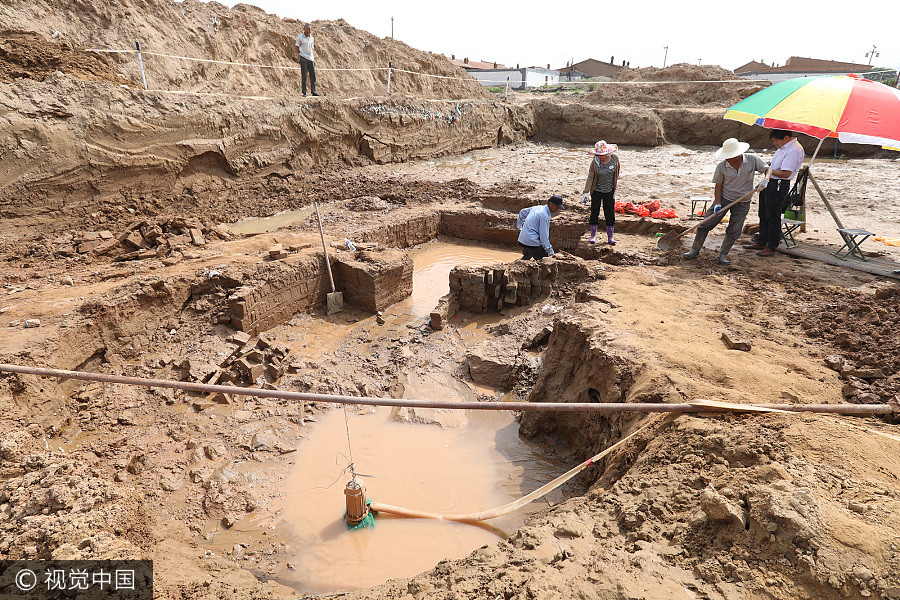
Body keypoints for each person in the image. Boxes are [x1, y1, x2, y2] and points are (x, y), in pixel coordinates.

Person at [683, 138, 770, 264]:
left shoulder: (752, 160)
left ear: (738, 154)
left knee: (735, 229)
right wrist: (718, 203)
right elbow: (718, 185)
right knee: (705, 223)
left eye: (730, 156)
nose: (727, 158)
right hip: (724, 199)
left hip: (743, 202)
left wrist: (765, 179)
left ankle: (723, 254)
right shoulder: (722, 166)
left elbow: (768, 169)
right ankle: (694, 250)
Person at [744, 129, 805, 257]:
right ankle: (762, 241)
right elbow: (775, 165)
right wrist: (765, 166)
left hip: (779, 184)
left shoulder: (793, 150)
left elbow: (786, 173)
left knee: (772, 215)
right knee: (763, 213)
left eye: (776, 140)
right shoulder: (783, 147)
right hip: (770, 181)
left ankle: (771, 246)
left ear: (786, 138)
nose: (775, 143)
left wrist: (768, 169)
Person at [582, 140, 620, 245]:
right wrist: (586, 192)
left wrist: (614, 189)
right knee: (594, 213)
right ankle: (593, 235)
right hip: (597, 191)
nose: (600, 157)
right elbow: (590, 177)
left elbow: (616, 174)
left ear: (607, 153)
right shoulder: (595, 162)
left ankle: (610, 237)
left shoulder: (614, 160)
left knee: (610, 214)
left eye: (602, 155)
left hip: (609, 191)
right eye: (598, 155)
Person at [518, 195, 564, 260]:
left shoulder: (538, 208)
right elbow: (544, 238)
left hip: (522, 240)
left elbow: (522, 212)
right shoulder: (544, 215)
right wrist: (551, 253)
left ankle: (518, 262)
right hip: (531, 242)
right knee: (545, 261)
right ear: (550, 204)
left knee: (527, 257)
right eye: (557, 207)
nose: (557, 209)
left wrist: (519, 227)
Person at [295, 24, 318, 97]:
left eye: (309, 29)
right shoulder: (300, 37)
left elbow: (311, 48)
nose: (308, 31)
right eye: (307, 29)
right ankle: (304, 92)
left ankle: (313, 91)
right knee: (304, 76)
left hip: (311, 58)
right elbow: (296, 47)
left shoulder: (312, 38)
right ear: (304, 29)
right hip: (303, 58)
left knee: (313, 76)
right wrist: (301, 54)